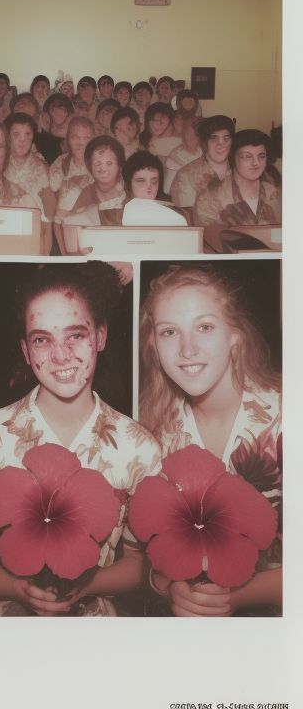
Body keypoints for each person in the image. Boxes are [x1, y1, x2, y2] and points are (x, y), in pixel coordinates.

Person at [0, 262, 160, 616]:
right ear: (26, 350)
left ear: (101, 336)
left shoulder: (138, 447)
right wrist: (16, 588)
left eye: (76, 335)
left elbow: (138, 563)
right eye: (42, 340)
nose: (60, 356)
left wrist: (85, 586)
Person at [138, 263, 281, 616]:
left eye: (204, 327)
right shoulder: (154, 432)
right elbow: (150, 557)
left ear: (236, 334)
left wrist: (238, 596)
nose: (187, 349)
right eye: (170, 332)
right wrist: (170, 586)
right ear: (154, 345)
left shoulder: (286, 415)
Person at [193, 129, 281, 228]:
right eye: (246, 157)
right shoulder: (209, 199)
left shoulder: (276, 194)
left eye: (261, 157)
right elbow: (208, 240)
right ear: (232, 158)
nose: (256, 163)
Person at [3, 112, 55, 254]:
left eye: (28, 134)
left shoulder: (41, 167)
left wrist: (44, 223)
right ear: (7, 137)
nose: (23, 140)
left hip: (35, 228)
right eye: (16, 135)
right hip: (4, 227)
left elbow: (49, 201)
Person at [56, 135, 127, 229]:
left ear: (119, 165)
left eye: (109, 163)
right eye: (97, 163)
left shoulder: (129, 192)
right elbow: (65, 225)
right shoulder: (82, 194)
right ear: (90, 167)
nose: (103, 168)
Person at [170, 115, 235, 209]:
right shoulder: (186, 175)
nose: (221, 144)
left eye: (226, 138)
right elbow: (188, 217)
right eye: (214, 138)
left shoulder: (240, 170)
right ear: (204, 143)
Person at [51, 116, 95, 251]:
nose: (80, 143)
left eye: (86, 138)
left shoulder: (100, 161)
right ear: (68, 139)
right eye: (75, 137)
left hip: (93, 225)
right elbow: (53, 192)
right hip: (65, 224)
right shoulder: (61, 162)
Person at [122, 151, 187, 226]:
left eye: (154, 181)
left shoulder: (174, 216)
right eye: (141, 181)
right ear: (128, 184)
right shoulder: (119, 215)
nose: (149, 186)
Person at [163, 116, 202, 193]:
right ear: (183, 132)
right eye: (188, 132)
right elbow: (168, 190)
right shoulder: (174, 157)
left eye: (196, 133)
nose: (192, 137)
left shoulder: (204, 151)